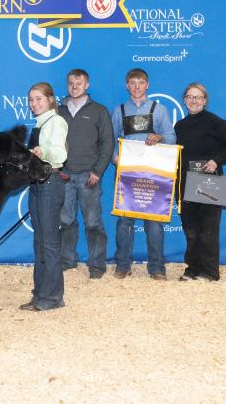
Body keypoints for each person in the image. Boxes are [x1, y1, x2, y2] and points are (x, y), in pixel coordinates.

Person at [110, 68, 176, 280]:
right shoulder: (119, 111)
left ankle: (157, 268)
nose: (136, 86)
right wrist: (116, 160)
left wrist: (159, 137)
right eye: (132, 82)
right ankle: (122, 265)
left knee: (154, 223)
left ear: (147, 85)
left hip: (153, 173)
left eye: (140, 82)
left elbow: (171, 137)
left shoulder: (160, 110)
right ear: (127, 86)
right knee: (124, 222)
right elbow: (110, 141)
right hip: (127, 173)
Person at [175, 83, 226, 282]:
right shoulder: (179, 126)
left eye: (198, 97)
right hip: (185, 182)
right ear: (184, 100)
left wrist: (216, 161)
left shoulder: (216, 123)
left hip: (209, 182)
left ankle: (210, 272)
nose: (193, 100)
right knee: (191, 230)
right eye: (190, 96)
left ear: (205, 100)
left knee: (208, 230)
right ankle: (193, 268)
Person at [58, 69, 114, 279]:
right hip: (64, 175)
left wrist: (97, 171)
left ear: (87, 85)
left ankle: (97, 264)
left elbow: (107, 144)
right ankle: (67, 260)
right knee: (65, 220)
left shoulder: (99, 111)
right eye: (71, 83)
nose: (74, 87)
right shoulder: (58, 111)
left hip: (89, 176)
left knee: (93, 222)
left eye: (79, 83)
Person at [19, 82, 68, 312]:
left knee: (49, 242)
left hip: (50, 182)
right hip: (38, 183)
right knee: (40, 241)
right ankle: (40, 293)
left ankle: (53, 297)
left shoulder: (56, 121)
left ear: (50, 100)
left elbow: (60, 153)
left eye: (38, 98)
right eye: (31, 99)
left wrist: (43, 151)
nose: (34, 103)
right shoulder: (40, 123)